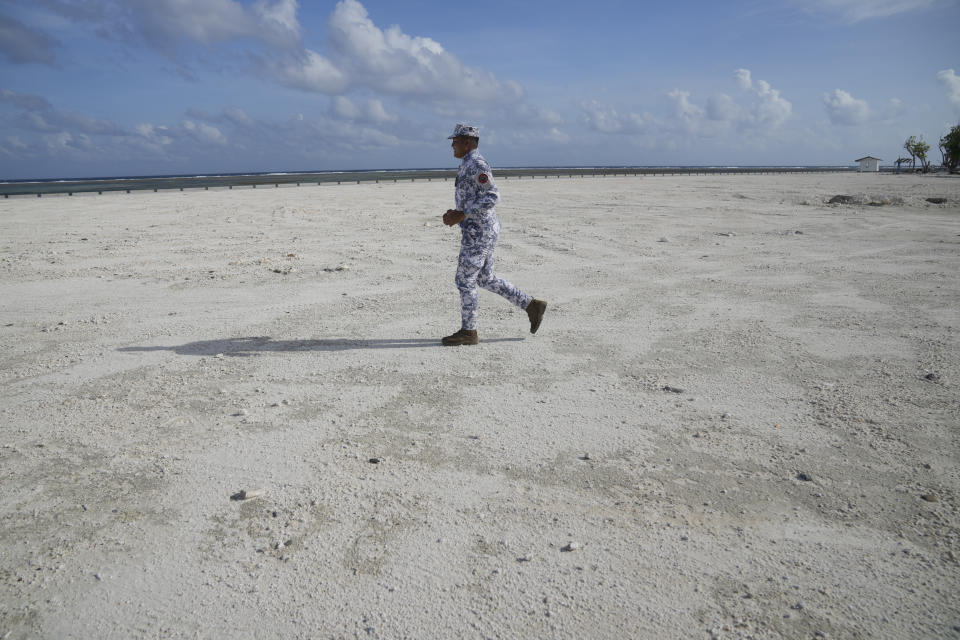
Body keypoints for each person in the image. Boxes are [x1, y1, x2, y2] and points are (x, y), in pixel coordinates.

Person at [440, 123, 547, 346]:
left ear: (467, 142)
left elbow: (492, 196)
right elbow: (473, 198)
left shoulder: (476, 163)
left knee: (464, 279)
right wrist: (457, 213)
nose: (452, 144)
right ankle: (531, 305)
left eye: (456, 140)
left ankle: (469, 332)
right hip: (480, 229)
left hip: (479, 232)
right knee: (485, 278)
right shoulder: (467, 163)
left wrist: (462, 214)